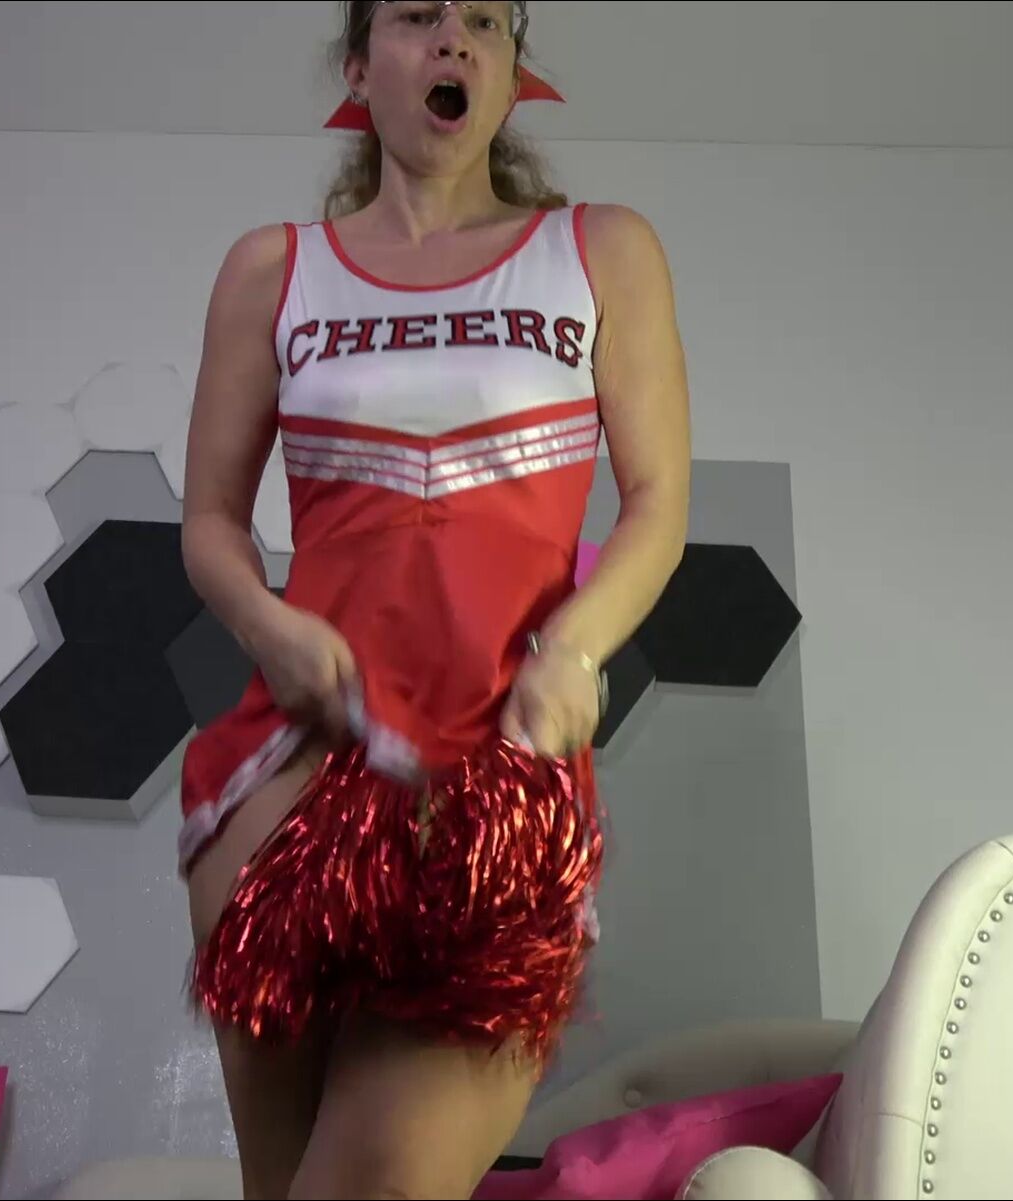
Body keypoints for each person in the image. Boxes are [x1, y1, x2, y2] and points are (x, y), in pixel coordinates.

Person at [178, 2, 691, 1197]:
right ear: (360, 68)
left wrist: (576, 647)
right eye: (418, 14)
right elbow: (208, 522)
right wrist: (270, 625)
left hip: (491, 784)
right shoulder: (272, 270)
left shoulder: (599, 249)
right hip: (284, 773)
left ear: (512, 72)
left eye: (486, 21)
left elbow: (659, 499)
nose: (454, 37)